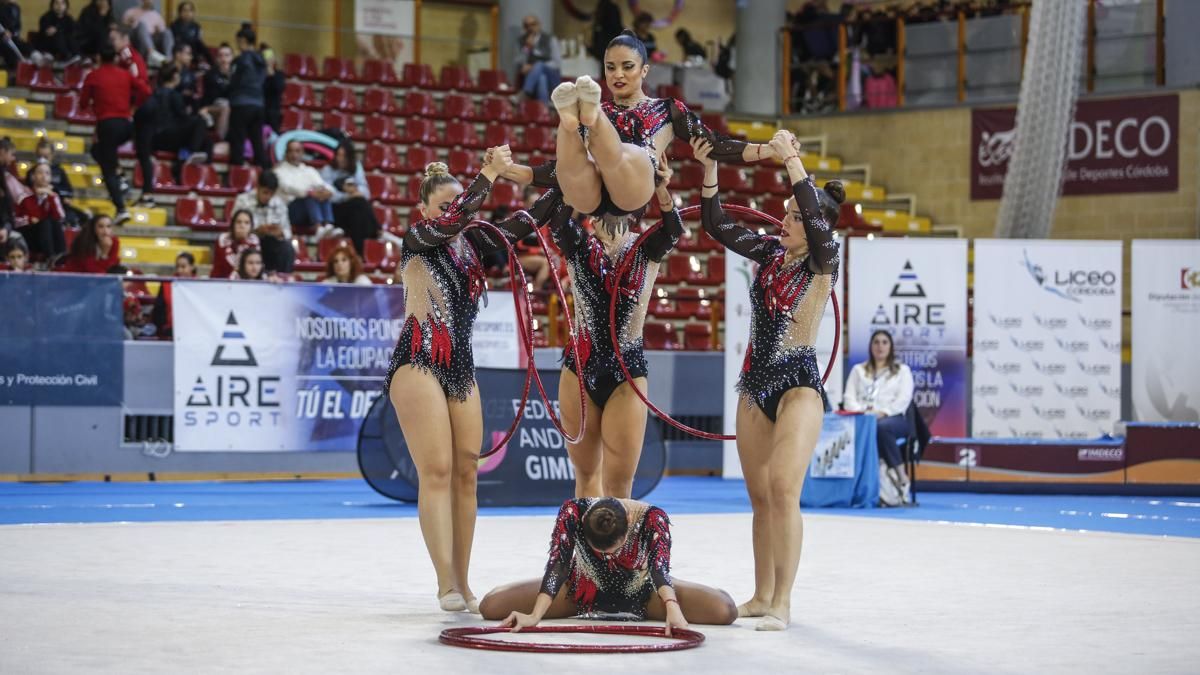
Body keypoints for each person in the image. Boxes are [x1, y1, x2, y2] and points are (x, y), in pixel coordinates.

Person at [384, 154, 565, 613]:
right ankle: (444, 579)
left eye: (457, 205)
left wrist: (569, 183)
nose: (453, 213)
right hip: (418, 358)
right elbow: (458, 218)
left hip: (461, 365)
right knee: (438, 471)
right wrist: (486, 175)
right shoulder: (418, 240)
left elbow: (527, 221)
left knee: (467, 474)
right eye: (443, 206)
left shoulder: (472, 245)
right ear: (425, 211)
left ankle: (463, 581)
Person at [697, 129, 843, 631]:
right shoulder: (769, 254)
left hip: (799, 383)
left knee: (784, 489)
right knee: (759, 497)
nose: (783, 221)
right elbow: (715, 224)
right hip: (754, 385)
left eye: (793, 217)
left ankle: (783, 599)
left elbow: (815, 216)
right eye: (783, 214)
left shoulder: (826, 261)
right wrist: (711, 168)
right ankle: (760, 594)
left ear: (815, 224)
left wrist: (792, 162)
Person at [500, 30, 776, 224]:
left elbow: (715, 145)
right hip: (591, 194)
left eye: (627, 66)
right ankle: (568, 120)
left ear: (645, 70)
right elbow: (559, 170)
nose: (617, 74)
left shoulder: (667, 109)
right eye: (610, 68)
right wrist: (513, 171)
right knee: (570, 165)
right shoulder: (598, 109)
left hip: (631, 188)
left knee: (622, 152)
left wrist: (769, 149)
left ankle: (578, 119)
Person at [550, 156, 680, 499]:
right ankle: (585, 551)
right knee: (586, 475)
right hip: (579, 367)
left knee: (619, 484)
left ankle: (616, 551)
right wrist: (578, 179)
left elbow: (674, 229)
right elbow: (557, 220)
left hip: (627, 371)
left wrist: (662, 188)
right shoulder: (578, 243)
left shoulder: (645, 247)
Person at [480, 497, 737, 631]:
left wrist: (672, 608)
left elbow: (659, 569)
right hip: (581, 591)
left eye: (613, 551)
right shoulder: (572, 512)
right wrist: (535, 616)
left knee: (725, 610)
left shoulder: (653, 518)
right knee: (491, 605)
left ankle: (692, 596)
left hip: (646, 593)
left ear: (626, 521)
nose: (608, 558)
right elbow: (558, 563)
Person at [843, 329, 915, 504]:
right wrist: (864, 411)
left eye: (884, 342)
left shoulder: (902, 371)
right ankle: (867, 485)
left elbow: (904, 400)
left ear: (890, 347)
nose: (880, 346)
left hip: (894, 418)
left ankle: (900, 476)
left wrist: (883, 413)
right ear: (870, 346)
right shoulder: (858, 370)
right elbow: (848, 399)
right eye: (876, 342)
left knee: (882, 428)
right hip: (863, 419)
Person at [80, 47, 150, 223]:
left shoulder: (94, 75)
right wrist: (133, 106)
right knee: (97, 151)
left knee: (106, 168)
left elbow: (82, 103)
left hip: (107, 125)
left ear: (98, 57)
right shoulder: (125, 74)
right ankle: (120, 177)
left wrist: (95, 104)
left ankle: (121, 208)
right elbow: (146, 91)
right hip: (127, 126)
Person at [134, 64, 210, 201]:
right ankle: (187, 156)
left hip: (154, 139)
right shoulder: (174, 95)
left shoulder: (153, 95)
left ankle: (187, 156)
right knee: (200, 123)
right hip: (168, 136)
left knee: (203, 137)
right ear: (174, 77)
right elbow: (183, 119)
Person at [320, 140, 378, 256]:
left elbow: (366, 192)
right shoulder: (327, 170)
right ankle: (377, 230)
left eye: (344, 156)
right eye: (338, 155)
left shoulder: (356, 167)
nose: (340, 159)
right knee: (359, 204)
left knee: (357, 213)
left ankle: (359, 253)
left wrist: (356, 193)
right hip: (334, 211)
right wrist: (348, 195)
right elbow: (329, 196)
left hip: (352, 212)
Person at [232, 170, 293, 274]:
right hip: (249, 241)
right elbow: (234, 227)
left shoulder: (280, 203)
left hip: (272, 243)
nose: (268, 197)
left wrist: (280, 232)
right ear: (258, 187)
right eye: (265, 192)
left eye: (271, 194)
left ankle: (282, 277)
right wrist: (255, 231)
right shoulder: (243, 200)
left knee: (287, 248)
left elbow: (288, 232)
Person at [274, 139, 338, 239]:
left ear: (302, 153)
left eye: (297, 151)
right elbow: (288, 187)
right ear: (286, 153)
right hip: (291, 211)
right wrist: (310, 192)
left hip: (309, 212)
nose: (294, 154)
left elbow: (322, 184)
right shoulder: (279, 171)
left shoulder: (309, 170)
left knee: (323, 193)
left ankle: (328, 225)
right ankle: (319, 228)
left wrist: (328, 191)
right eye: (291, 151)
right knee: (310, 196)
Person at [226, 23, 268, 170]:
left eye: (238, 41)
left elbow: (233, 82)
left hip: (241, 103)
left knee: (238, 141)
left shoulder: (240, 60)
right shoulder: (262, 61)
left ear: (243, 40)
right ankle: (262, 171)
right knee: (257, 142)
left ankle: (237, 174)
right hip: (258, 104)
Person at [17, 162, 68, 262]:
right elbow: (15, 219)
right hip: (28, 233)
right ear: (33, 176)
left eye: (47, 173)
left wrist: (51, 197)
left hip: (46, 233)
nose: (44, 176)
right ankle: (50, 257)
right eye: (40, 172)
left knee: (51, 222)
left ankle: (61, 258)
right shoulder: (24, 196)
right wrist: (30, 220)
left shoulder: (53, 196)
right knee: (46, 223)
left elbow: (61, 217)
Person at [514, 14, 561, 104]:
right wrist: (527, 48)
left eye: (533, 24)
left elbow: (557, 63)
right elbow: (518, 62)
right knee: (541, 78)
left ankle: (526, 92)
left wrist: (535, 67)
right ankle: (544, 110)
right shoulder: (521, 41)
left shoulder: (550, 39)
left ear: (539, 25)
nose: (530, 28)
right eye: (527, 25)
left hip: (552, 76)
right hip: (532, 78)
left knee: (539, 65)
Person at [151, 251, 196, 338]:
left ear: (192, 267)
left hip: (194, 330)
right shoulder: (166, 284)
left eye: (183, 267)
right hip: (170, 331)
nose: (179, 270)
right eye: (177, 267)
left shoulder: (201, 285)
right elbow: (158, 311)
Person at [209, 208, 261, 279]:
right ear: (233, 224)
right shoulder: (222, 239)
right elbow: (219, 267)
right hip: (222, 281)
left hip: (246, 282)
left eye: (247, 223)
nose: (242, 226)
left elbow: (254, 268)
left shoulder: (254, 241)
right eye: (239, 222)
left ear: (251, 226)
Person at [123, 0, 171, 67]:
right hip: (137, 41)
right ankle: (152, 53)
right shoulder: (131, 12)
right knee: (142, 25)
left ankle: (168, 59)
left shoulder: (156, 15)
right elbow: (123, 28)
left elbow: (162, 32)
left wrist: (157, 31)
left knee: (167, 32)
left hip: (152, 39)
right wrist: (129, 24)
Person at [200, 43, 234, 141]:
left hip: (232, 107)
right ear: (217, 58)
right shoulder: (211, 74)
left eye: (227, 55)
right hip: (213, 106)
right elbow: (212, 96)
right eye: (221, 55)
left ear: (232, 57)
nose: (224, 59)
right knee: (225, 108)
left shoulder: (237, 75)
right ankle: (219, 139)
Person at [32, 0, 78, 65]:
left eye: (62, 3)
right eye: (57, 3)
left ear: (66, 6)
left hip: (64, 44)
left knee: (70, 37)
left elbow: (73, 31)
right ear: (52, 5)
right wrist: (56, 30)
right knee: (58, 34)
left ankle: (76, 56)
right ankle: (67, 57)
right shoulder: (46, 17)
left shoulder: (69, 19)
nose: (59, 6)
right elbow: (47, 32)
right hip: (48, 44)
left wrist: (58, 30)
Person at [170, 1, 212, 69]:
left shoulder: (196, 26)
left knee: (200, 43)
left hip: (194, 51)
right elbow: (174, 43)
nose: (187, 13)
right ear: (180, 12)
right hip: (181, 50)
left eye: (190, 10)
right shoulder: (174, 26)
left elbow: (199, 42)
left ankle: (212, 64)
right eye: (185, 10)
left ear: (193, 13)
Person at [260, 43, 286, 134]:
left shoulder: (279, 74)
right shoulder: (257, 75)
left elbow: (279, 88)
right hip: (259, 111)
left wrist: (271, 74)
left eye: (270, 57)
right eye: (265, 57)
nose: (268, 60)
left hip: (273, 112)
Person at [0, 0, 30, 69]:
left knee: (26, 46)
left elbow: (18, 27)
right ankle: (14, 71)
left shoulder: (15, 7)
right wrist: (2, 34)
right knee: (9, 51)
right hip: (2, 40)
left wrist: (11, 32)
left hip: (12, 38)